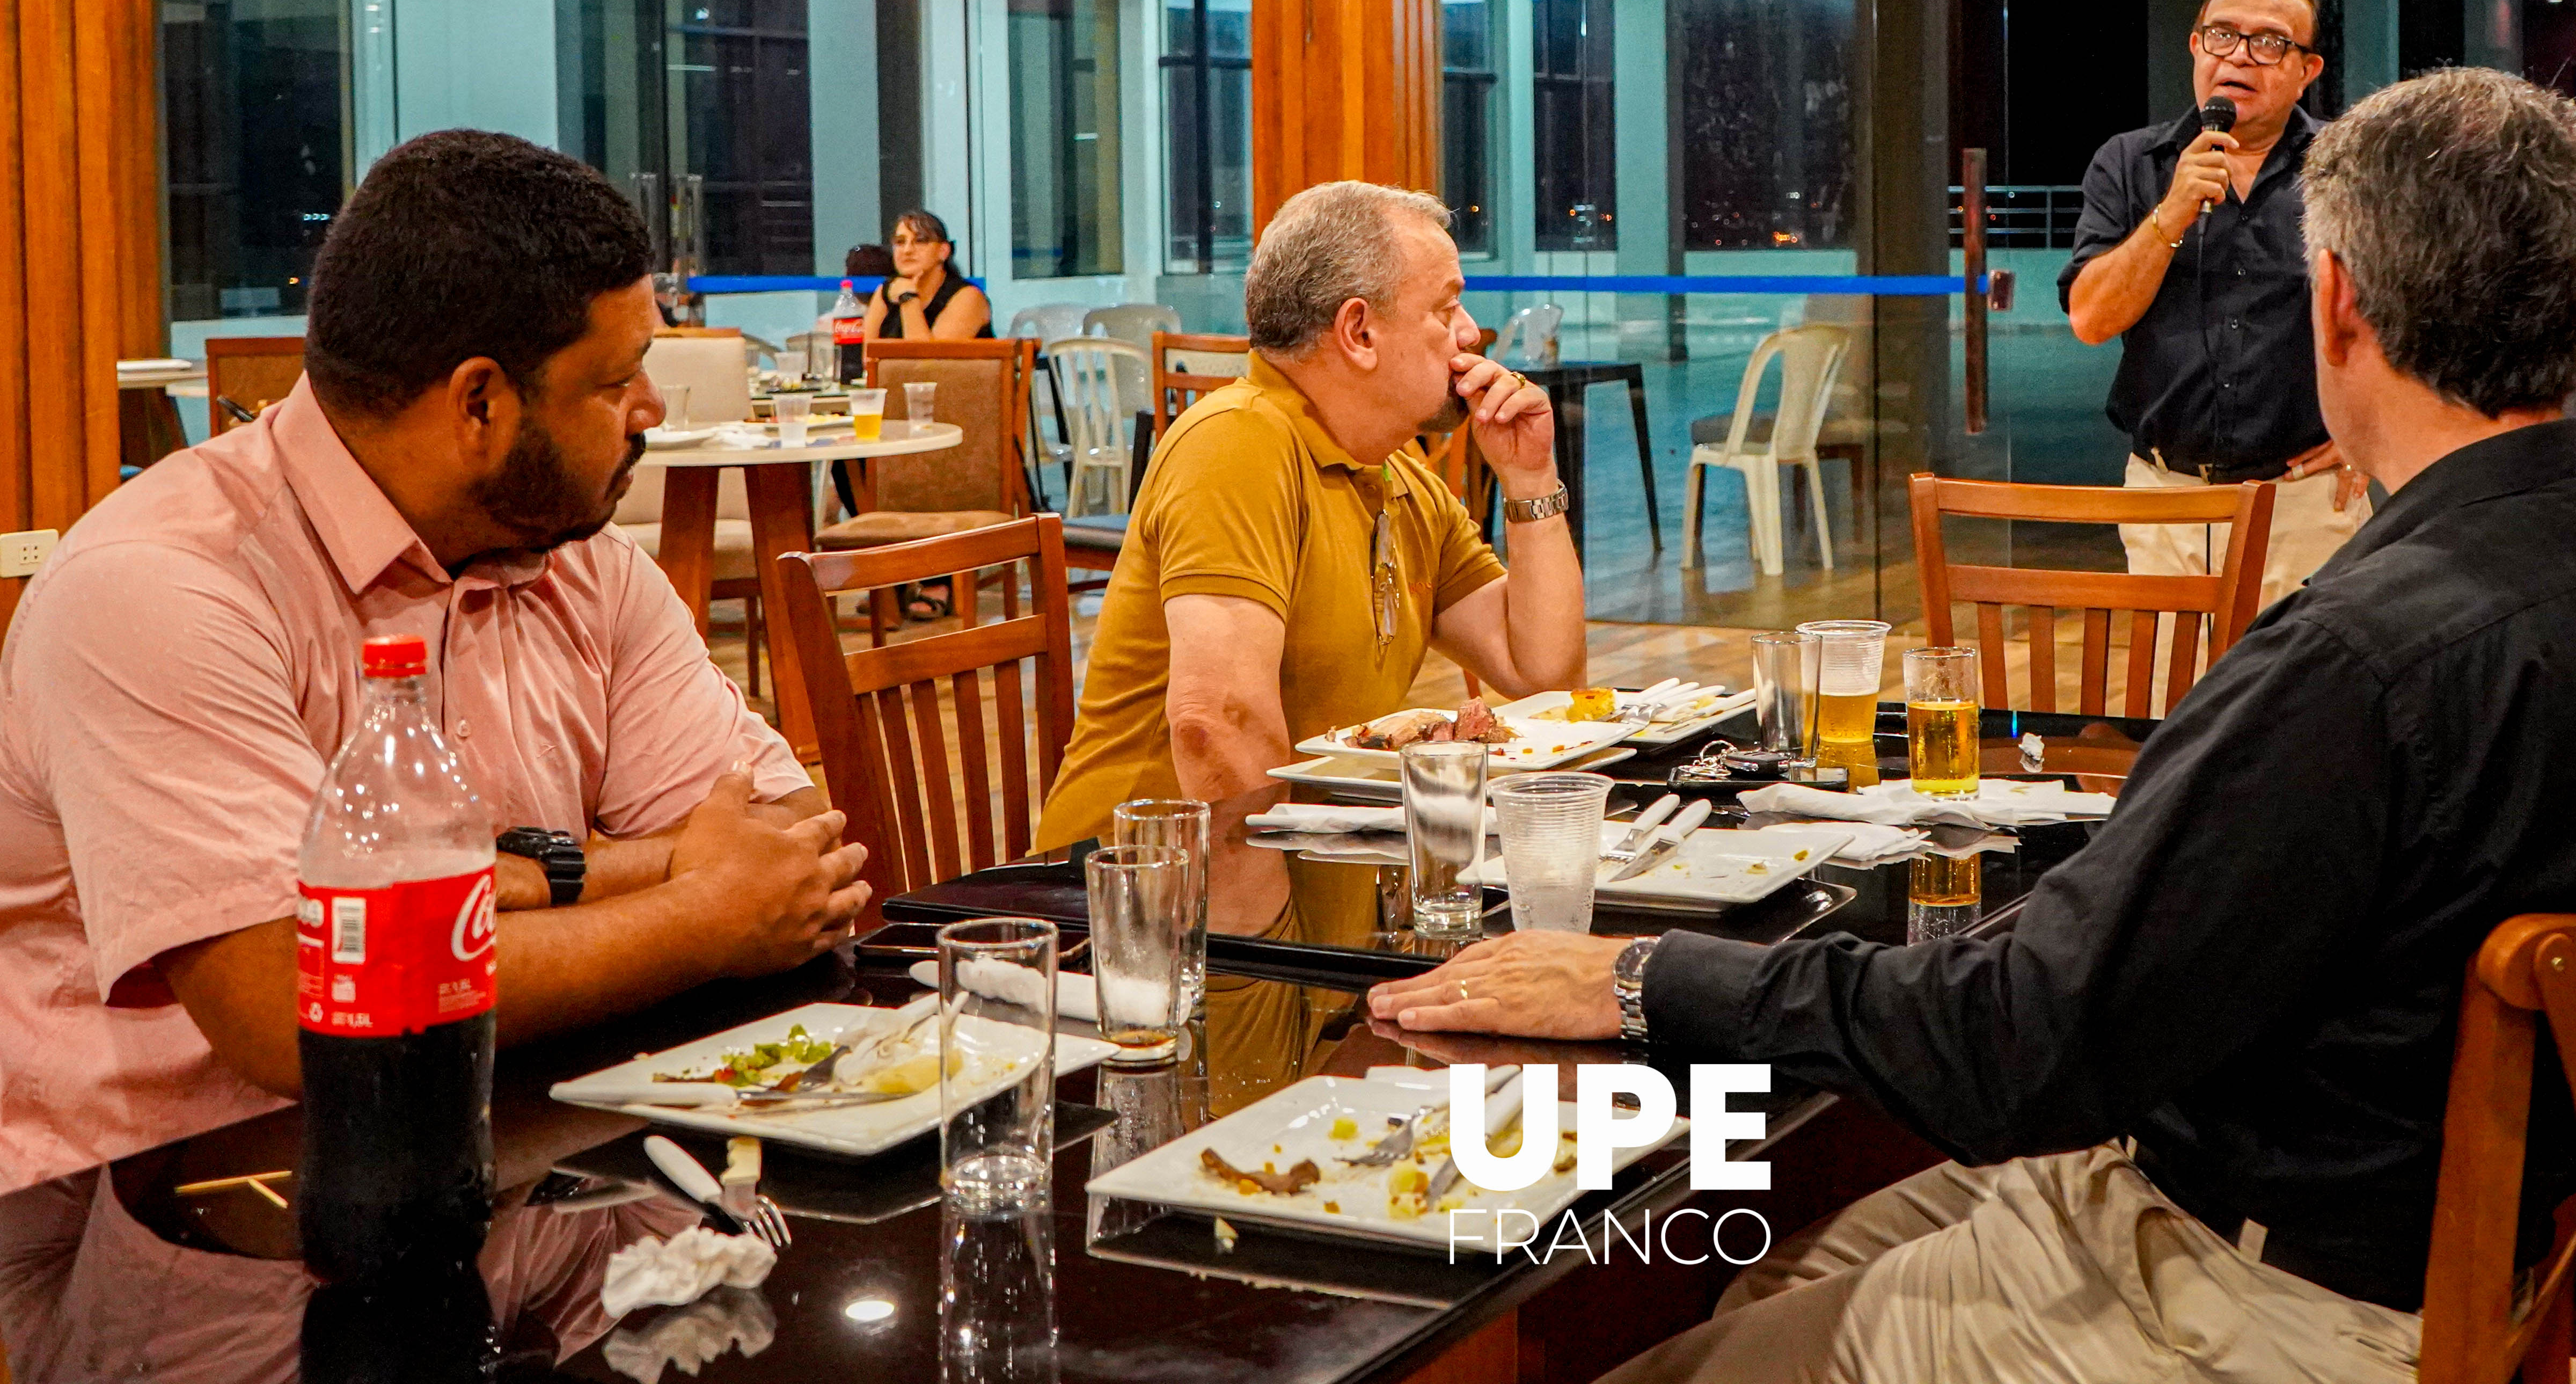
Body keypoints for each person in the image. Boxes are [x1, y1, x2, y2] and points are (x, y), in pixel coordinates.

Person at [1370, 69, 2576, 1384]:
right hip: (2434, 1268)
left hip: (2259, 1304)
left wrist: (1637, 977)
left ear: (2336, 303)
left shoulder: (2352, 662)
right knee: (1790, 1254)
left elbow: (2014, 1052)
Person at [0, 131, 870, 1197]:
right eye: (614, 380)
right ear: (478, 403)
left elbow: (788, 847)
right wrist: (694, 913)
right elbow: (299, 998)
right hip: (170, 1214)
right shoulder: (159, 588)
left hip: (517, 1154)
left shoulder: (577, 558)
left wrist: (522, 885)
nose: (651, 407)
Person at [1032, 180, 1587, 944]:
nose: (1471, 333)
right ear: (1358, 332)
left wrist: (1530, 478)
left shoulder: (1398, 475)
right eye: (1445, 307)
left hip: (1311, 880)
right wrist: (1292, 965)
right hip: (1148, 917)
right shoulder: (1237, 444)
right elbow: (1214, 727)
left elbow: (1542, 671)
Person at [2059, 0, 2365, 604]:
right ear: (2196, 47)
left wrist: (2371, 432)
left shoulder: (2349, 167)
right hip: (2163, 498)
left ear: (2308, 70)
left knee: (2302, 701)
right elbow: (2091, 318)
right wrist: (2170, 214)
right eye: (2222, 35)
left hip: (2303, 500)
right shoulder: (2130, 164)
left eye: (2270, 42)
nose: (2240, 57)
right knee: (2175, 703)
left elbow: (2408, 315)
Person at [865, 208, 992, 341]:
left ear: (943, 251)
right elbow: (869, 358)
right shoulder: (886, 292)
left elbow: (927, 360)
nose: (907, 250)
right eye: (900, 242)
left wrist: (908, 298)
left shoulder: (969, 297)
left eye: (920, 241)